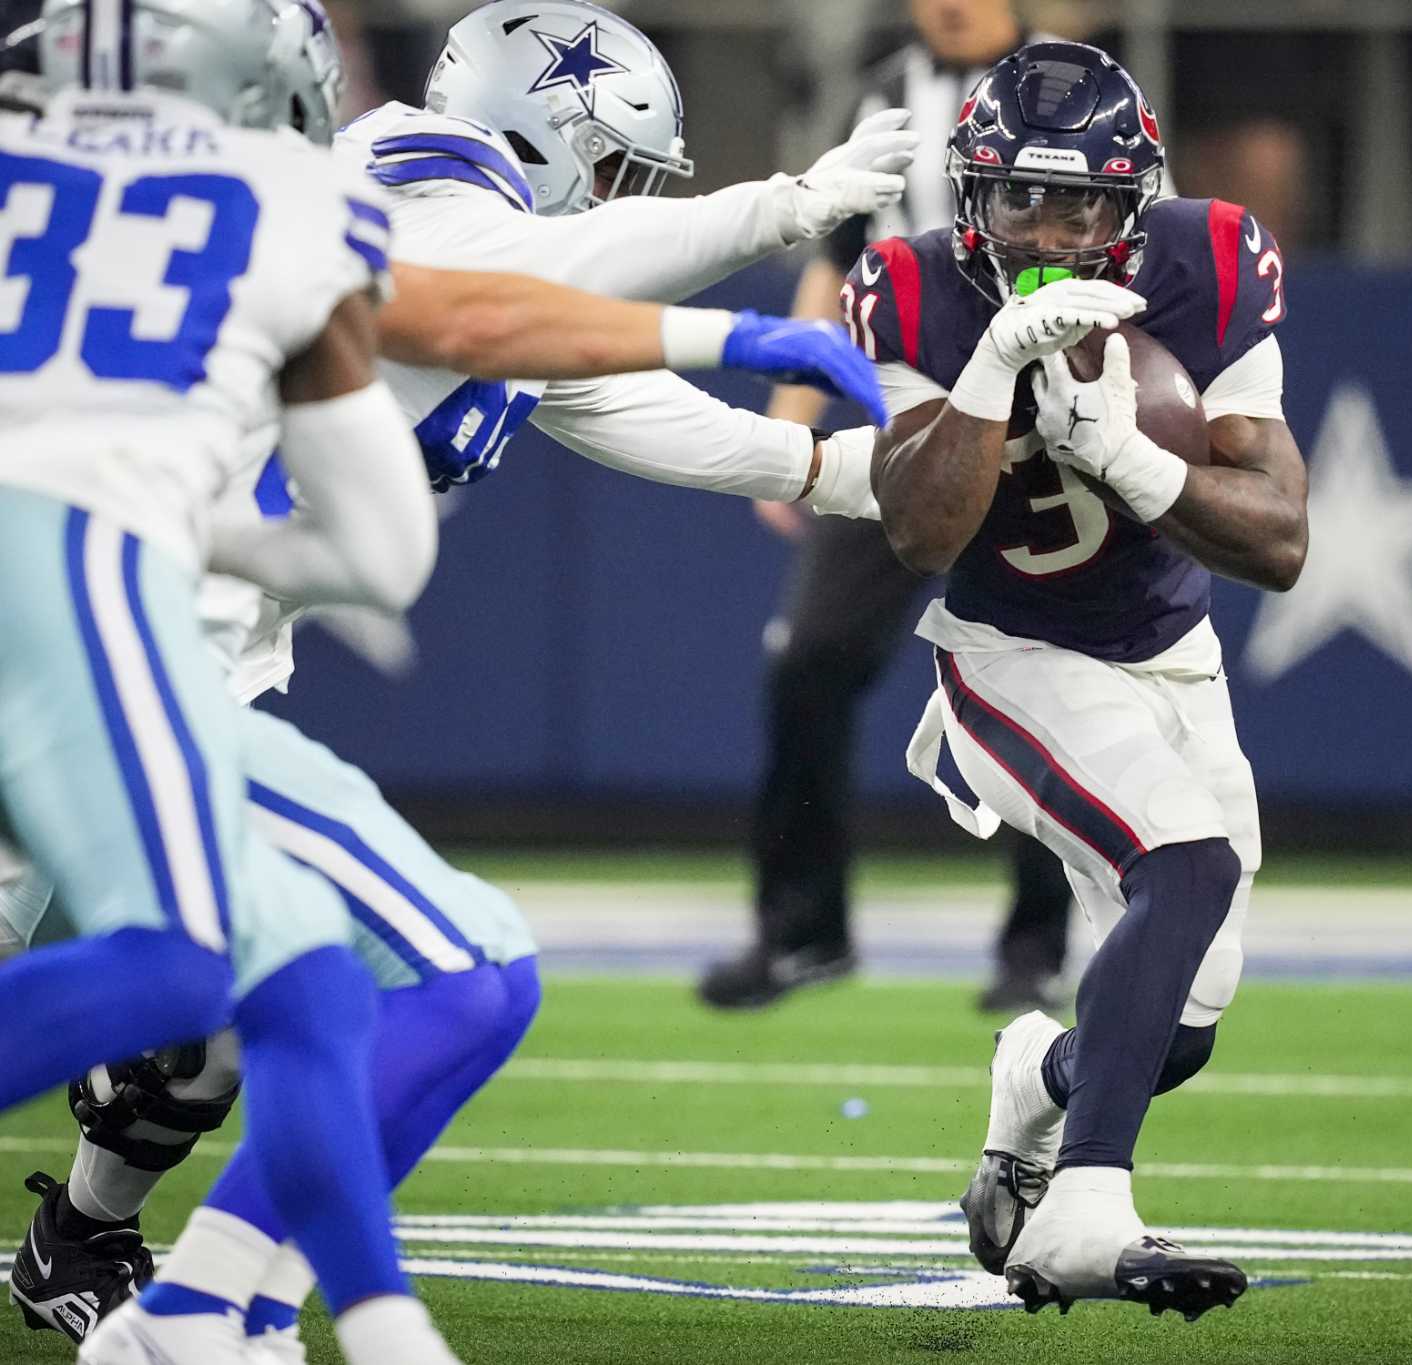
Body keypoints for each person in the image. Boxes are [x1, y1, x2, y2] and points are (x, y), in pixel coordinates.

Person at [5, 2, 907, 1357]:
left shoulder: (340, 224)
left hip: (174, 650)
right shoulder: (412, 189)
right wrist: (783, 212)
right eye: (602, 162)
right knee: (400, 970)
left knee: (279, 981)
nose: (607, 197)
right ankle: (238, 1314)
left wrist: (818, 470)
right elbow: (522, 293)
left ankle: (145, 1272)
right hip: (98, 643)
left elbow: (564, 357)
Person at [0, 0, 463, 1360]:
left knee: (268, 981)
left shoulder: (257, 231)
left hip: (156, 665)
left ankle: (178, 1275)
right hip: (70, 651)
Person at [864, 41, 1308, 1315]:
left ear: (1137, 199)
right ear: (970, 196)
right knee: (1184, 860)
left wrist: (1122, 454)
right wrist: (993, 369)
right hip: (1007, 651)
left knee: (1178, 1028)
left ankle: (1035, 1089)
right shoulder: (908, 289)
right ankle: (1084, 1213)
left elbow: (1277, 539)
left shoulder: (1210, 260)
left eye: (1082, 202)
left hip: (1171, 648)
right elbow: (919, 536)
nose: (1050, 229)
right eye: (1018, 197)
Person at [703, 0, 1077, 1014]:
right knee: (809, 659)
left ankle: (1035, 947)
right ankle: (802, 931)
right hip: (901, 425)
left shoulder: (1073, 92)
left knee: (1038, 682)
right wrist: (792, 409)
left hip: (1035, 432)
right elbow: (841, 250)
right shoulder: (883, 93)